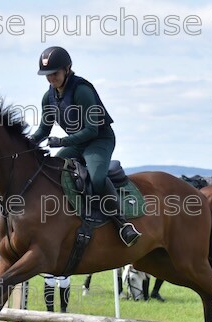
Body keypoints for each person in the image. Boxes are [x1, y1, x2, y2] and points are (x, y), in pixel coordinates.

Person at [29, 46, 140, 247]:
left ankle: (122, 224)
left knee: (96, 178)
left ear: (67, 69)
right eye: (47, 75)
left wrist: (62, 142)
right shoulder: (49, 97)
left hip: (99, 140)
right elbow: (43, 130)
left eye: (55, 73)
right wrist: (26, 143)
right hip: (77, 143)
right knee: (55, 170)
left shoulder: (82, 91)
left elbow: (92, 130)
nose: (51, 79)